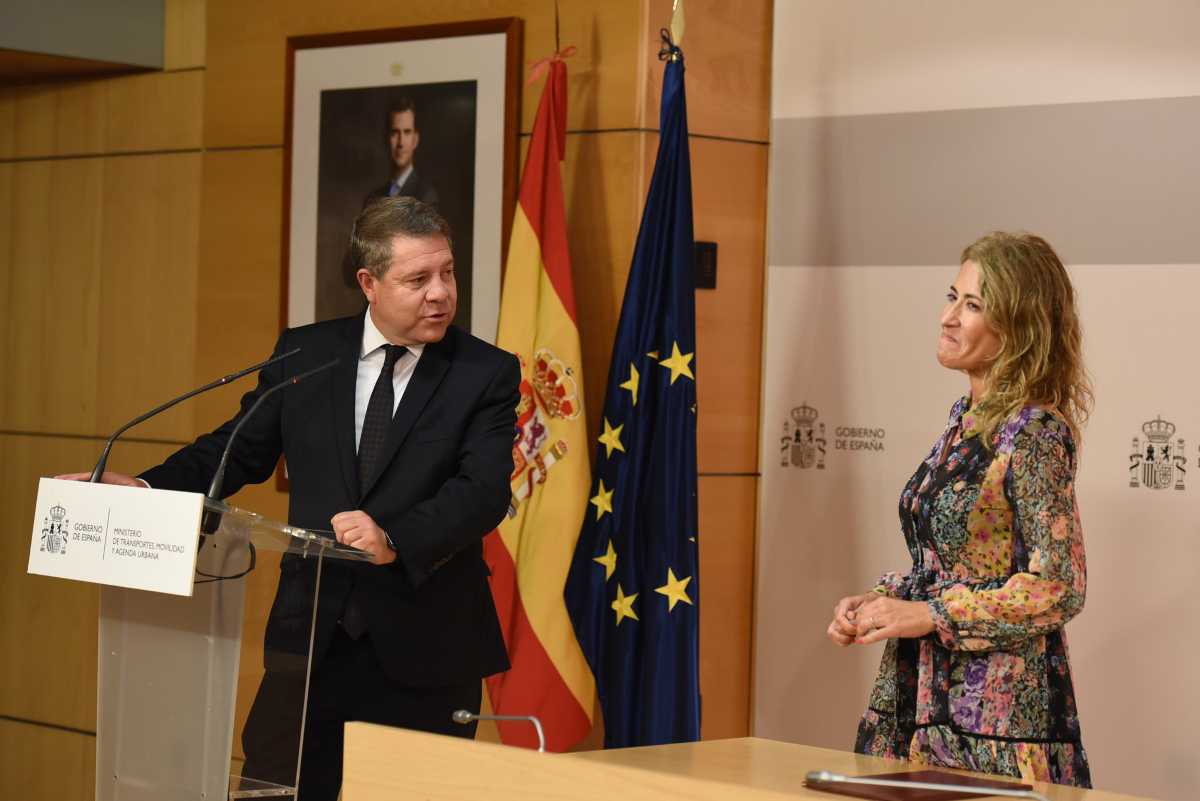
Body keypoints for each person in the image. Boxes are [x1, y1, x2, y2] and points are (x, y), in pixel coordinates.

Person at [65, 197, 517, 801]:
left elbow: (482, 491)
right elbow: (235, 451)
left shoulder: (483, 372)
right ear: (369, 283)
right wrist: (148, 488)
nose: (440, 293)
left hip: (426, 645)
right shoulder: (307, 354)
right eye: (418, 279)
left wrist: (395, 538)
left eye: (448, 273)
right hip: (309, 641)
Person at [826, 232, 1093, 787]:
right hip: (918, 699)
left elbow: (1059, 586)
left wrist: (930, 615)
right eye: (952, 297)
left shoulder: (1035, 433)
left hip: (996, 723)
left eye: (972, 305)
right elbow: (953, 565)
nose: (948, 317)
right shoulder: (965, 417)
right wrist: (885, 601)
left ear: (1019, 328)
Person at [363, 98, 439, 208]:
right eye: (395, 132)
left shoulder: (426, 198)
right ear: (386, 138)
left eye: (407, 132)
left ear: (415, 140)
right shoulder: (372, 199)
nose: (400, 142)